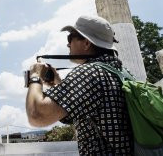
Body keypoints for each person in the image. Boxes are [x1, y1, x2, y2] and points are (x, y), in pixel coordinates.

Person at [26, 15, 133, 155]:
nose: (68, 44)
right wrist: (58, 84)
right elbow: (82, 111)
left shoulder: (90, 72)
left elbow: (37, 115)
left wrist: (35, 76)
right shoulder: (122, 73)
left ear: (87, 43)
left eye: (70, 38)